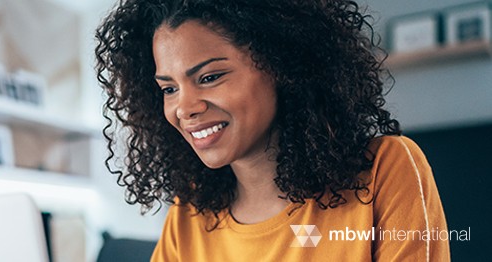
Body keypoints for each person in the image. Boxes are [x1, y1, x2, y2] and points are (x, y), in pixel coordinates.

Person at [94, 0, 449, 261]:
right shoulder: (189, 211)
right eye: (169, 89)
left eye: (210, 77)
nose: (184, 108)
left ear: (281, 65)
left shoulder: (383, 170)